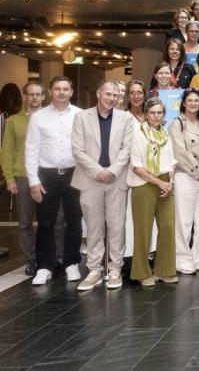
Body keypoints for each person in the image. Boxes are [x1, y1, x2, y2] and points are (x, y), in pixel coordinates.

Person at [70, 81, 135, 291]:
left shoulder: (126, 118)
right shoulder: (81, 117)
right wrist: (98, 171)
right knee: (94, 227)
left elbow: (127, 149)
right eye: (108, 93)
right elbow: (78, 150)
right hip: (90, 180)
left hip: (116, 179)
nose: (111, 98)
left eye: (115, 95)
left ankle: (115, 268)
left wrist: (112, 171)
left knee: (117, 226)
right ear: (98, 93)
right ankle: (94, 270)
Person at [25, 77, 82, 286]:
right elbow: (31, 150)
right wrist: (33, 180)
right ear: (50, 92)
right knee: (45, 223)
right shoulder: (39, 117)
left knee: (74, 221)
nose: (61, 92)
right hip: (46, 175)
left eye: (65, 89)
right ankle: (44, 266)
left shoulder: (79, 115)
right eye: (57, 88)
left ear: (71, 91)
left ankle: (71, 263)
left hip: (74, 174)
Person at [127, 98, 177, 286]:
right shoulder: (138, 135)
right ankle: (142, 273)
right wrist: (160, 183)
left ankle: (164, 270)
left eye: (159, 112)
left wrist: (169, 182)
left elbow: (172, 161)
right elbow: (137, 167)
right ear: (146, 114)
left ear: (164, 115)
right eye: (152, 112)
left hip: (165, 182)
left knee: (168, 227)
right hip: (144, 184)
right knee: (143, 230)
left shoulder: (165, 133)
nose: (156, 116)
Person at [1, 82, 44, 276]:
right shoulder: (13, 121)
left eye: (38, 94)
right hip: (23, 176)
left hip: (47, 175)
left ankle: (51, 257)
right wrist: (9, 178)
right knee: (25, 221)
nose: (34, 98)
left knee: (52, 220)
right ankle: (32, 258)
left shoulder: (50, 118)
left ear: (44, 96)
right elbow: (7, 151)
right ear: (25, 97)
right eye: (31, 94)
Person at [169, 88, 199, 275]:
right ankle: (182, 259)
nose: (193, 104)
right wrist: (197, 171)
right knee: (183, 221)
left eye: (197, 101)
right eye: (190, 100)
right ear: (183, 103)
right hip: (186, 176)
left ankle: (197, 258)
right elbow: (179, 152)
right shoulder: (177, 124)